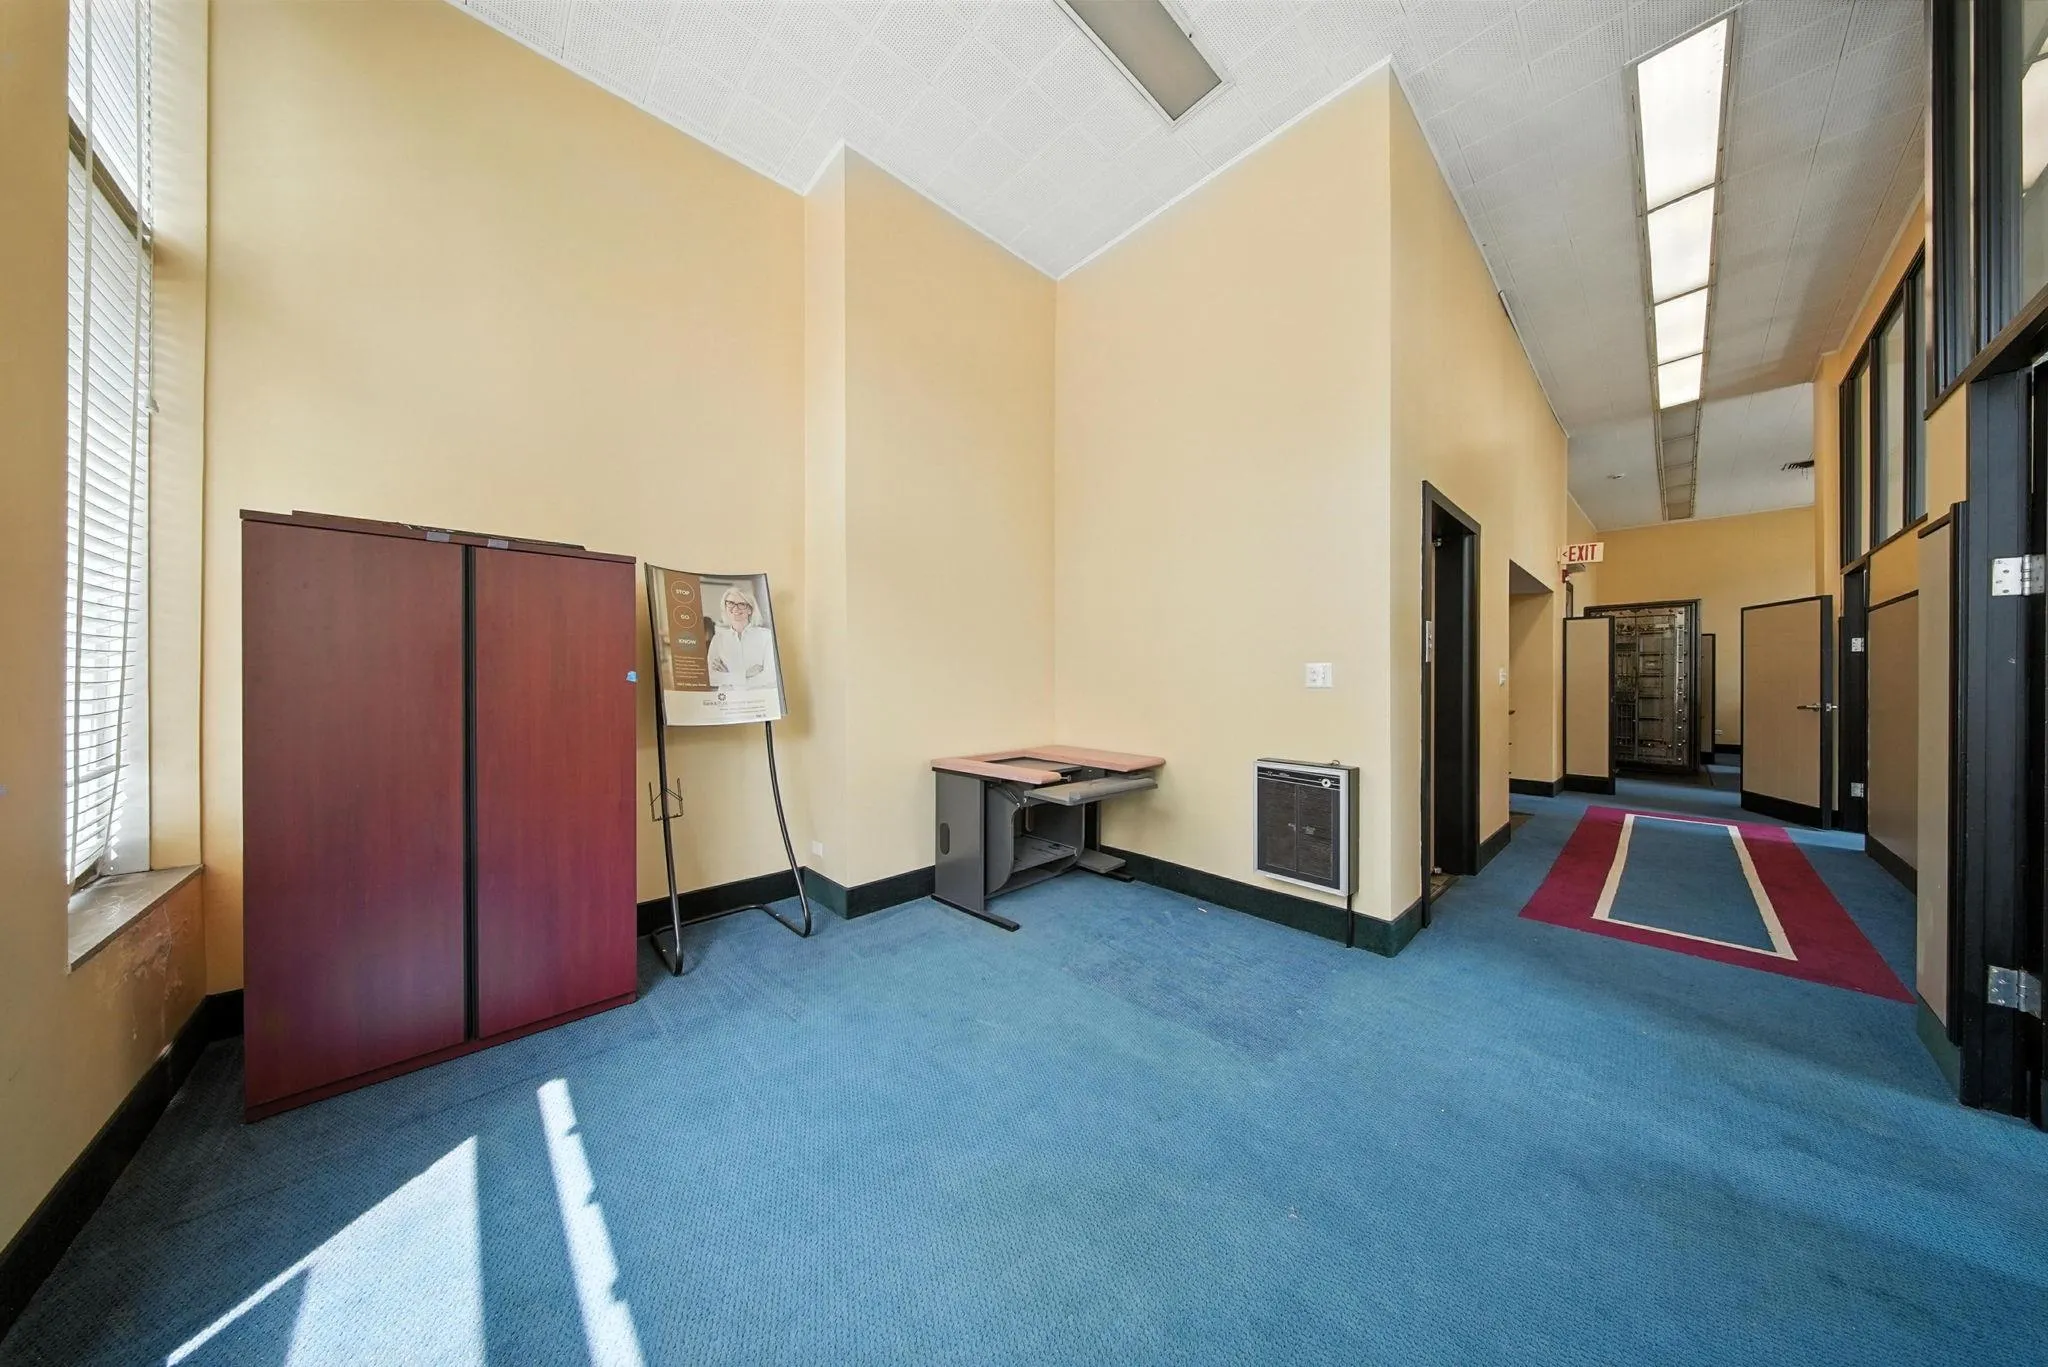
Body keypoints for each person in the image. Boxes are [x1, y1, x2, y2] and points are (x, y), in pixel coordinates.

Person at [706, 581, 775, 689]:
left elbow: (770, 676)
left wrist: (729, 678)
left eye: (741, 604)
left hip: (756, 702)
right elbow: (711, 678)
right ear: (725, 607)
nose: (735, 608)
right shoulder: (718, 639)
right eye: (730, 603)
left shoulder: (766, 636)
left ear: (750, 609)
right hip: (728, 702)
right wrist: (745, 675)